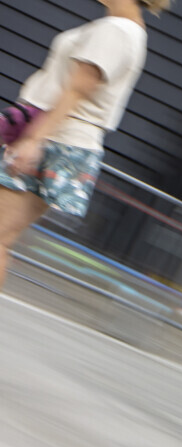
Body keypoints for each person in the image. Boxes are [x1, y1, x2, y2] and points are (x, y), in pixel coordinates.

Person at [0, 0, 166, 291]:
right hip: (64, 139)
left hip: (56, 138)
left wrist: (35, 139)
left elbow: (79, 90)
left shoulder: (116, 30)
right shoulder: (130, 30)